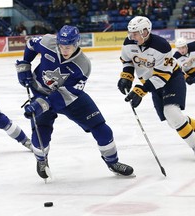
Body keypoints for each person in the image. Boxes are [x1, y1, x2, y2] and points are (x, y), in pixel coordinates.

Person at [15, 25, 134, 180]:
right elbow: (31, 44)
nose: (64, 50)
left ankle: (113, 162)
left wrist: (41, 105)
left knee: (102, 129)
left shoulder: (83, 65)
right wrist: (25, 64)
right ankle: (41, 160)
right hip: (40, 92)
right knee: (40, 132)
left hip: (69, 99)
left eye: (69, 46)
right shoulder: (47, 42)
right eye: (62, 46)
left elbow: (67, 94)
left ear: (77, 43)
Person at [117, 16, 195, 155]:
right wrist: (127, 76)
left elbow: (162, 76)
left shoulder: (161, 46)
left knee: (172, 113)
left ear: (145, 31)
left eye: (135, 33)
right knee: (173, 121)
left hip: (172, 79)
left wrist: (142, 90)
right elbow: (127, 61)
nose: (131, 36)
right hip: (152, 83)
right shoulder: (128, 43)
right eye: (130, 33)